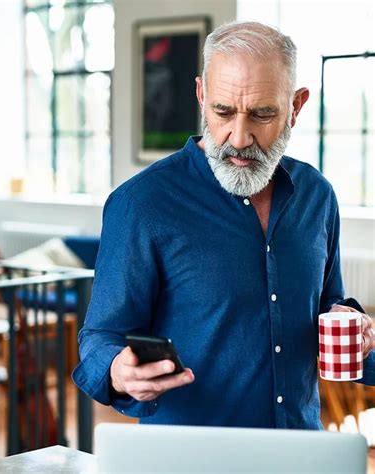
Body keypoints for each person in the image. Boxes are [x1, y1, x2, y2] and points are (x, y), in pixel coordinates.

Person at [72, 21, 375, 429]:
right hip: (191, 460)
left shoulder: (317, 196)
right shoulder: (141, 205)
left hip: (300, 451)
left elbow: (326, 306)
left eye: (263, 114)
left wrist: (352, 326)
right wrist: (117, 370)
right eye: (223, 111)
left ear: (295, 107)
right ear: (201, 96)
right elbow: (100, 338)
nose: (239, 136)